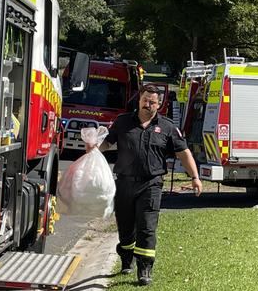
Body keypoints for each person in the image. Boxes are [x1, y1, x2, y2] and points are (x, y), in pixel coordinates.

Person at [87, 84, 203, 286]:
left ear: (159, 104)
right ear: (139, 100)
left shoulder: (167, 127)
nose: (147, 104)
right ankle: (126, 255)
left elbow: (183, 153)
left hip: (151, 185)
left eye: (152, 101)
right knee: (125, 227)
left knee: (147, 227)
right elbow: (108, 142)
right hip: (123, 183)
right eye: (144, 100)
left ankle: (145, 268)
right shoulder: (123, 122)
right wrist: (94, 148)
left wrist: (195, 177)